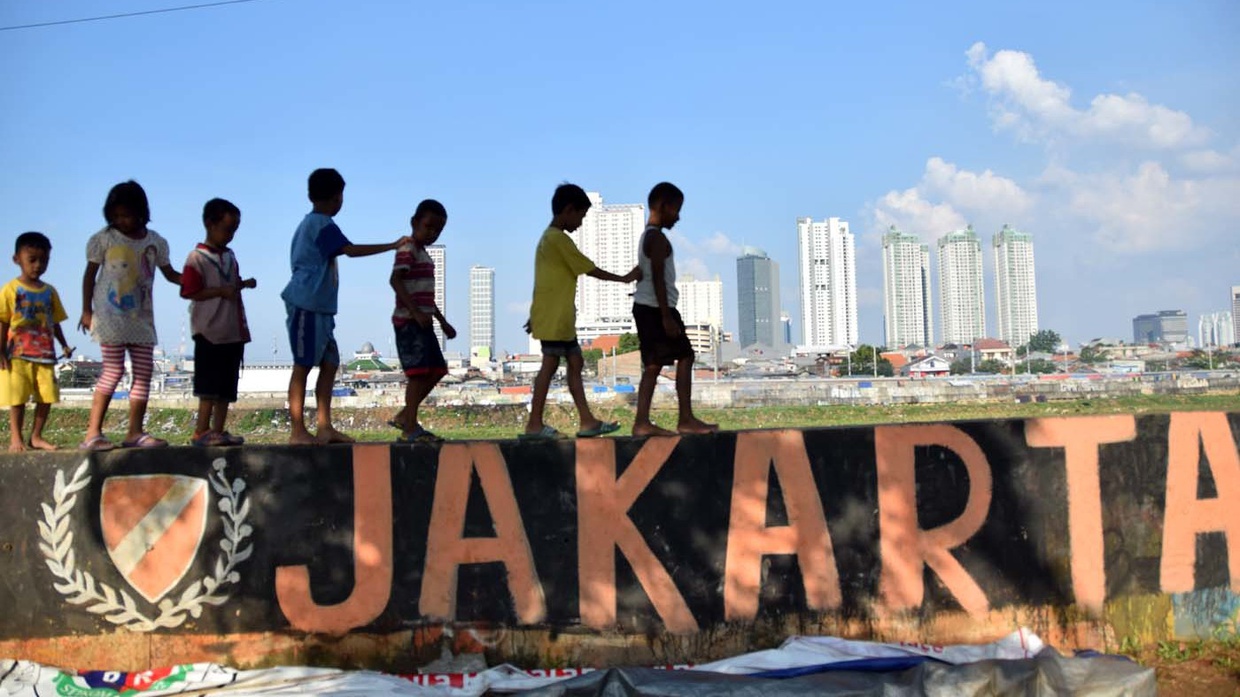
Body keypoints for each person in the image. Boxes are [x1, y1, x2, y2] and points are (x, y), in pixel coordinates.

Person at [281, 168, 410, 445]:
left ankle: (324, 426)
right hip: (307, 304)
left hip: (322, 308)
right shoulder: (320, 224)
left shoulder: (313, 223)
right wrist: (392, 245)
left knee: (329, 364)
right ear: (337, 197)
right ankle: (297, 430)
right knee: (302, 365)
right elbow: (349, 250)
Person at [522, 183, 640, 440]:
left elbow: (543, 281)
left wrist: (535, 315)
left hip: (557, 317)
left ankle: (587, 421)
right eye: (581, 216)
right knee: (550, 365)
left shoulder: (547, 239)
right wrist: (623, 278)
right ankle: (534, 424)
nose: (581, 222)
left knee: (574, 361)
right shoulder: (558, 239)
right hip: (555, 318)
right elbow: (588, 268)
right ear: (568, 210)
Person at [79, 181, 181, 450]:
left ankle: (134, 431)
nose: (122, 221)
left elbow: (170, 274)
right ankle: (93, 433)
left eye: (127, 215)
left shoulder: (154, 242)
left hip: (141, 319)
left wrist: (196, 282)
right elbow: (90, 275)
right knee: (112, 371)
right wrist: (87, 310)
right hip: (110, 318)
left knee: (144, 371)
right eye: (117, 216)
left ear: (141, 213)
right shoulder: (105, 239)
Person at [631, 182, 717, 437]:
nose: (678, 216)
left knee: (655, 364)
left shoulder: (648, 235)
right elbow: (658, 277)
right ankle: (683, 419)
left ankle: (644, 421)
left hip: (651, 307)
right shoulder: (656, 238)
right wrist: (667, 317)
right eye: (676, 210)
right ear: (663, 206)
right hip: (657, 308)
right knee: (683, 356)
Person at [180, 198, 256, 447]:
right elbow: (189, 291)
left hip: (232, 330)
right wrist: (219, 291)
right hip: (209, 330)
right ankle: (201, 430)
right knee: (208, 386)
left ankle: (218, 429)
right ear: (210, 224)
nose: (231, 235)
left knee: (225, 387)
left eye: (234, 230)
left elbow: (232, 284)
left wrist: (242, 284)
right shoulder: (197, 258)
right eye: (227, 229)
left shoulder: (230, 256)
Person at [389, 199, 455, 443]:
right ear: (414, 223)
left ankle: (406, 415)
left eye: (438, 230)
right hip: (409, 322)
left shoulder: (425, 255)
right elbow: (395, 281)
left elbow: (427, 297)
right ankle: (410, 428)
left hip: (424, 321)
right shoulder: (407, 249)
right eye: (428, 227)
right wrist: (415, 312)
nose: (432, 233)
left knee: (437, 369)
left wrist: (442, 321)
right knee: (417, 373)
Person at [0, 232, 73, 452]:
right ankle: (16, 437)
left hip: (44, 354)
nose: (38, 265)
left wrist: (64, 344)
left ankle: (36, 436)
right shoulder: (10, 290)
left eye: (44, 260)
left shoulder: (49, 292)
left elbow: (55, 321)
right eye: (32, 260)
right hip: (18, 354)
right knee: (18, 397)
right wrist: (1, 351)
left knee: (46, 395)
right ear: (17, 260)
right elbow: (3, 321)